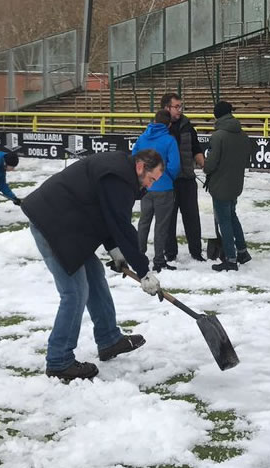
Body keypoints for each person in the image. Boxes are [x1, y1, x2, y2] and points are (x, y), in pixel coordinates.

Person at [21, 149, 164, 381]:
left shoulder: (119, 172)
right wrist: (143, 270)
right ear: (140, 167)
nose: (150, 186)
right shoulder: (118, 177)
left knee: (95, 275)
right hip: (53, 225)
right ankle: (59, 361)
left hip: (70, 225)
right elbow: (120, 223)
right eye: (151, 179)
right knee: (75, 292)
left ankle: (109, 339)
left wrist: (115, 251)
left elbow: (105, 213)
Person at [204, 101, 253, 272]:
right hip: (235, 184)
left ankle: (230, 259)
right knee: (232, 216)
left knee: (224, 221)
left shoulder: (218, 136)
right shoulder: (243, 135)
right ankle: (242, 252)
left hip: (220, 185)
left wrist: (206, 165)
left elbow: (210, 164)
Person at [161, 93, 206, 262]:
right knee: (169, 219)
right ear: (166, 108)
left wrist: (203, 164)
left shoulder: (187, 125)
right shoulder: (159, 127)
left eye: (181, 106)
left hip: (187, 179)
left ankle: (196, 252)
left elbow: (196, 148)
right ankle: (170, 253)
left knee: (192, 217)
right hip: (168, 181)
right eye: (176, 106)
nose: (180, 110)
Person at [134, 110, 180, 272]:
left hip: (146, 187)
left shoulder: (142, 138)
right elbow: (175, 165)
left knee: (144, 221)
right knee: (161, 225)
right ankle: (159, 259)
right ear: (168, 124)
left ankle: (139, 254)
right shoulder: (169, 140)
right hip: (164, 186)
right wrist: (168, 178)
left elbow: (134, 159)